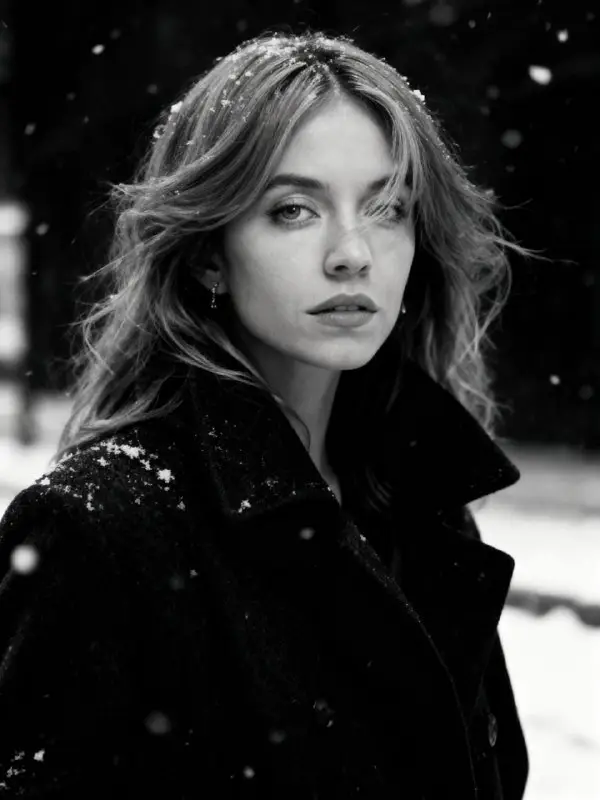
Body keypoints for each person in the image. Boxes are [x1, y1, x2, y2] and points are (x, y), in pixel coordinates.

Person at [0, 29, 532, 799]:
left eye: (388, 208)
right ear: (209, 251)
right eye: (293, 210)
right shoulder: (98, 528)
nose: (353, 253)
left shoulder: (419, 506)